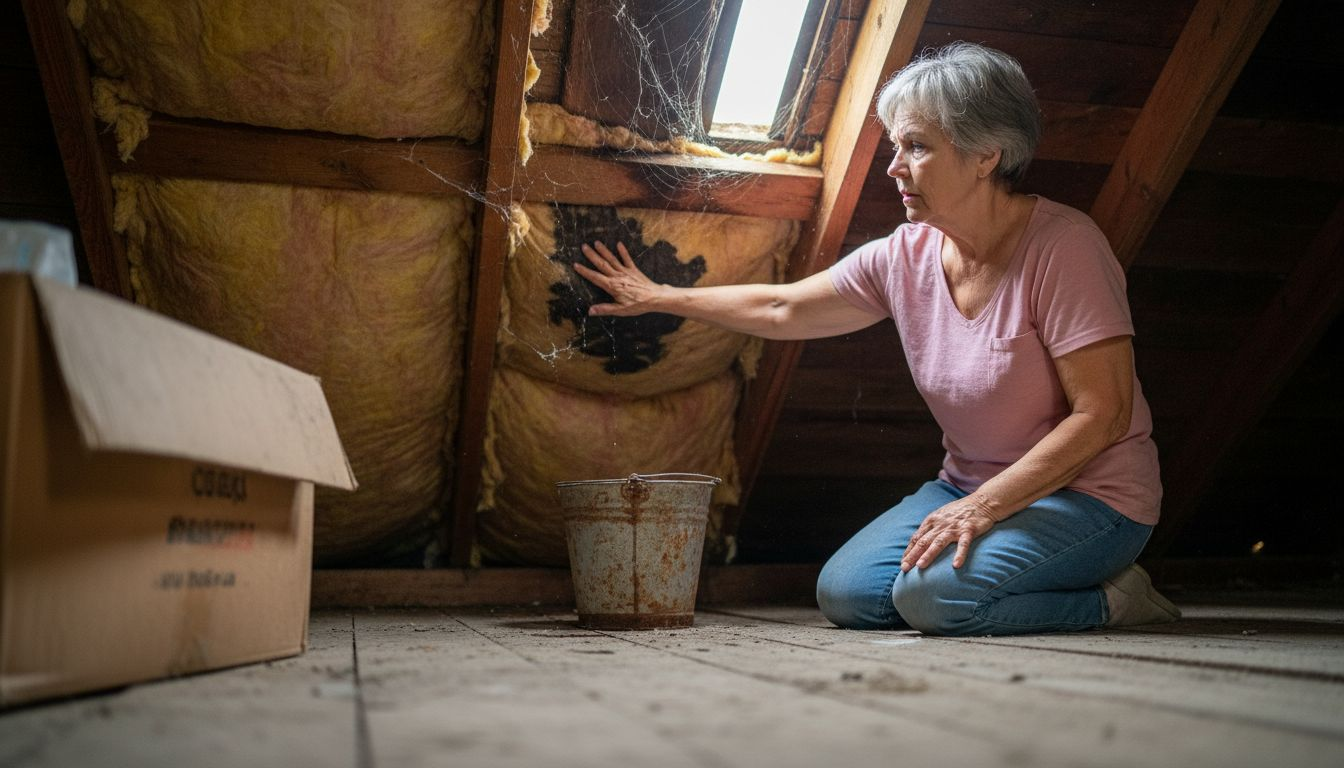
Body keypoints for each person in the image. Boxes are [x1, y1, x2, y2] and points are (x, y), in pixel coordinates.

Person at [573, 42, 1180, 637]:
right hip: (965, 485)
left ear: (986, 155)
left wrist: (981, 510)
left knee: (938, 599)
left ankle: (1115, 601)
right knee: (850, 593)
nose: (894, 167)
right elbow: (786, 307)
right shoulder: (905, 256)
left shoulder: (1064, 247)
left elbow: (1104, 415)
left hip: (1090, 497)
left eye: (916, 147)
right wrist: (659, 296)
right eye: (897, 145)